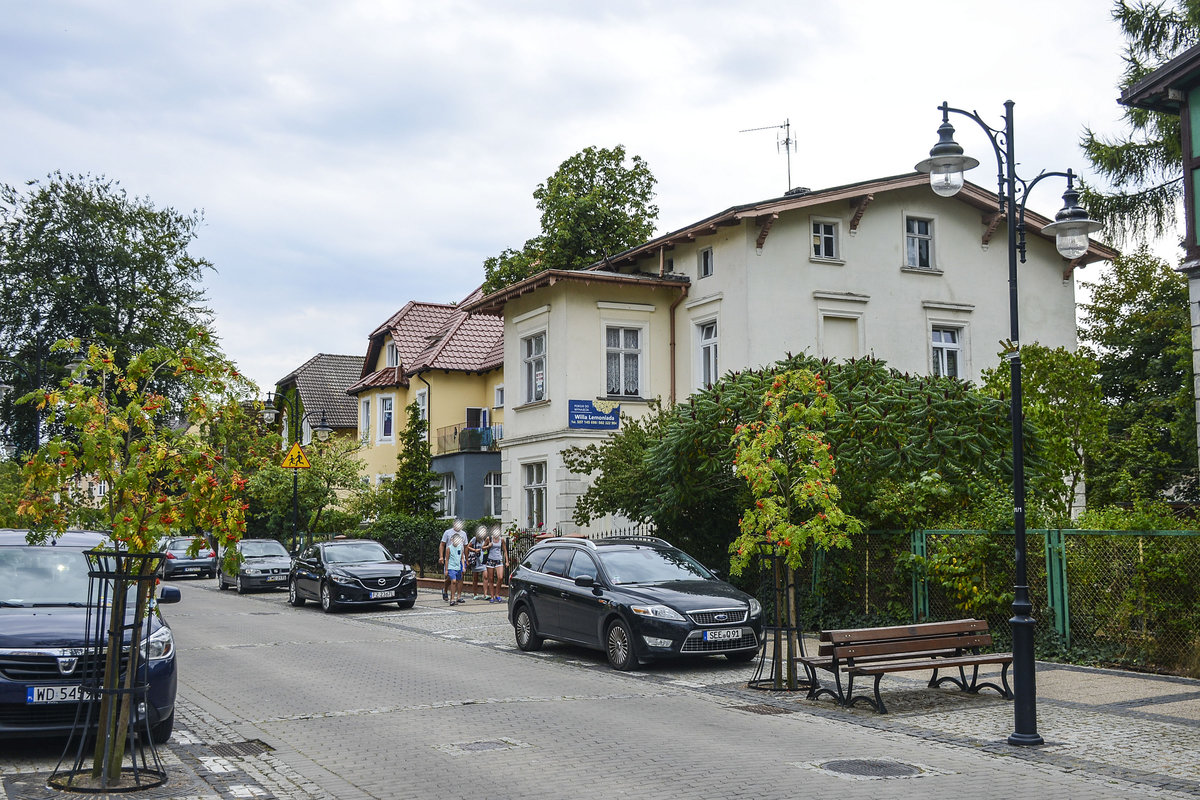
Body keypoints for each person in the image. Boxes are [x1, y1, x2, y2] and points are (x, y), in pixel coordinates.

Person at [439, 519, 463, 601]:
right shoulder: (448, 532)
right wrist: (441, 556)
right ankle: (445, 590)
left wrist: (465, 559)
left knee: (459, 579)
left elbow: (465, 546)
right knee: (450, 578)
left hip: (459, 558)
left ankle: (458, 596)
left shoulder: (463, 534)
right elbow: (442, 544)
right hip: (450, 560)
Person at [485, 525, 509, 603]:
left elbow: (505, 550)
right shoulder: (489, 539)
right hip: (490, 560)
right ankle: (492, 596)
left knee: (500, 577)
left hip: (499, 560)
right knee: (491, 579)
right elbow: (482, 548)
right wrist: (488, 546)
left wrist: (507, 561)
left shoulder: (501, 539)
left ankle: (497, 594)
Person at [467, 524, 489, 600]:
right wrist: (475, 550)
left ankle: (485, 594)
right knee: (475, 578)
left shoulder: (486, 539)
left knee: (485, 576)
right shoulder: (475, 539)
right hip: (476, 560)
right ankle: (475, 594)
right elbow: (468, 546)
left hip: (483, 560)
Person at [445, 530, 466, 605]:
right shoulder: (449, 548)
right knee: (453, 581)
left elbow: (462, 558)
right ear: (452, 540)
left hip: (458, 566)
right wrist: (447, 569)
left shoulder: (460, 547)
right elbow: (447, 559)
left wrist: (463, 567)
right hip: (451, 566)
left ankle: (458, 596)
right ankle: (452, 598)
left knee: (459, 581)